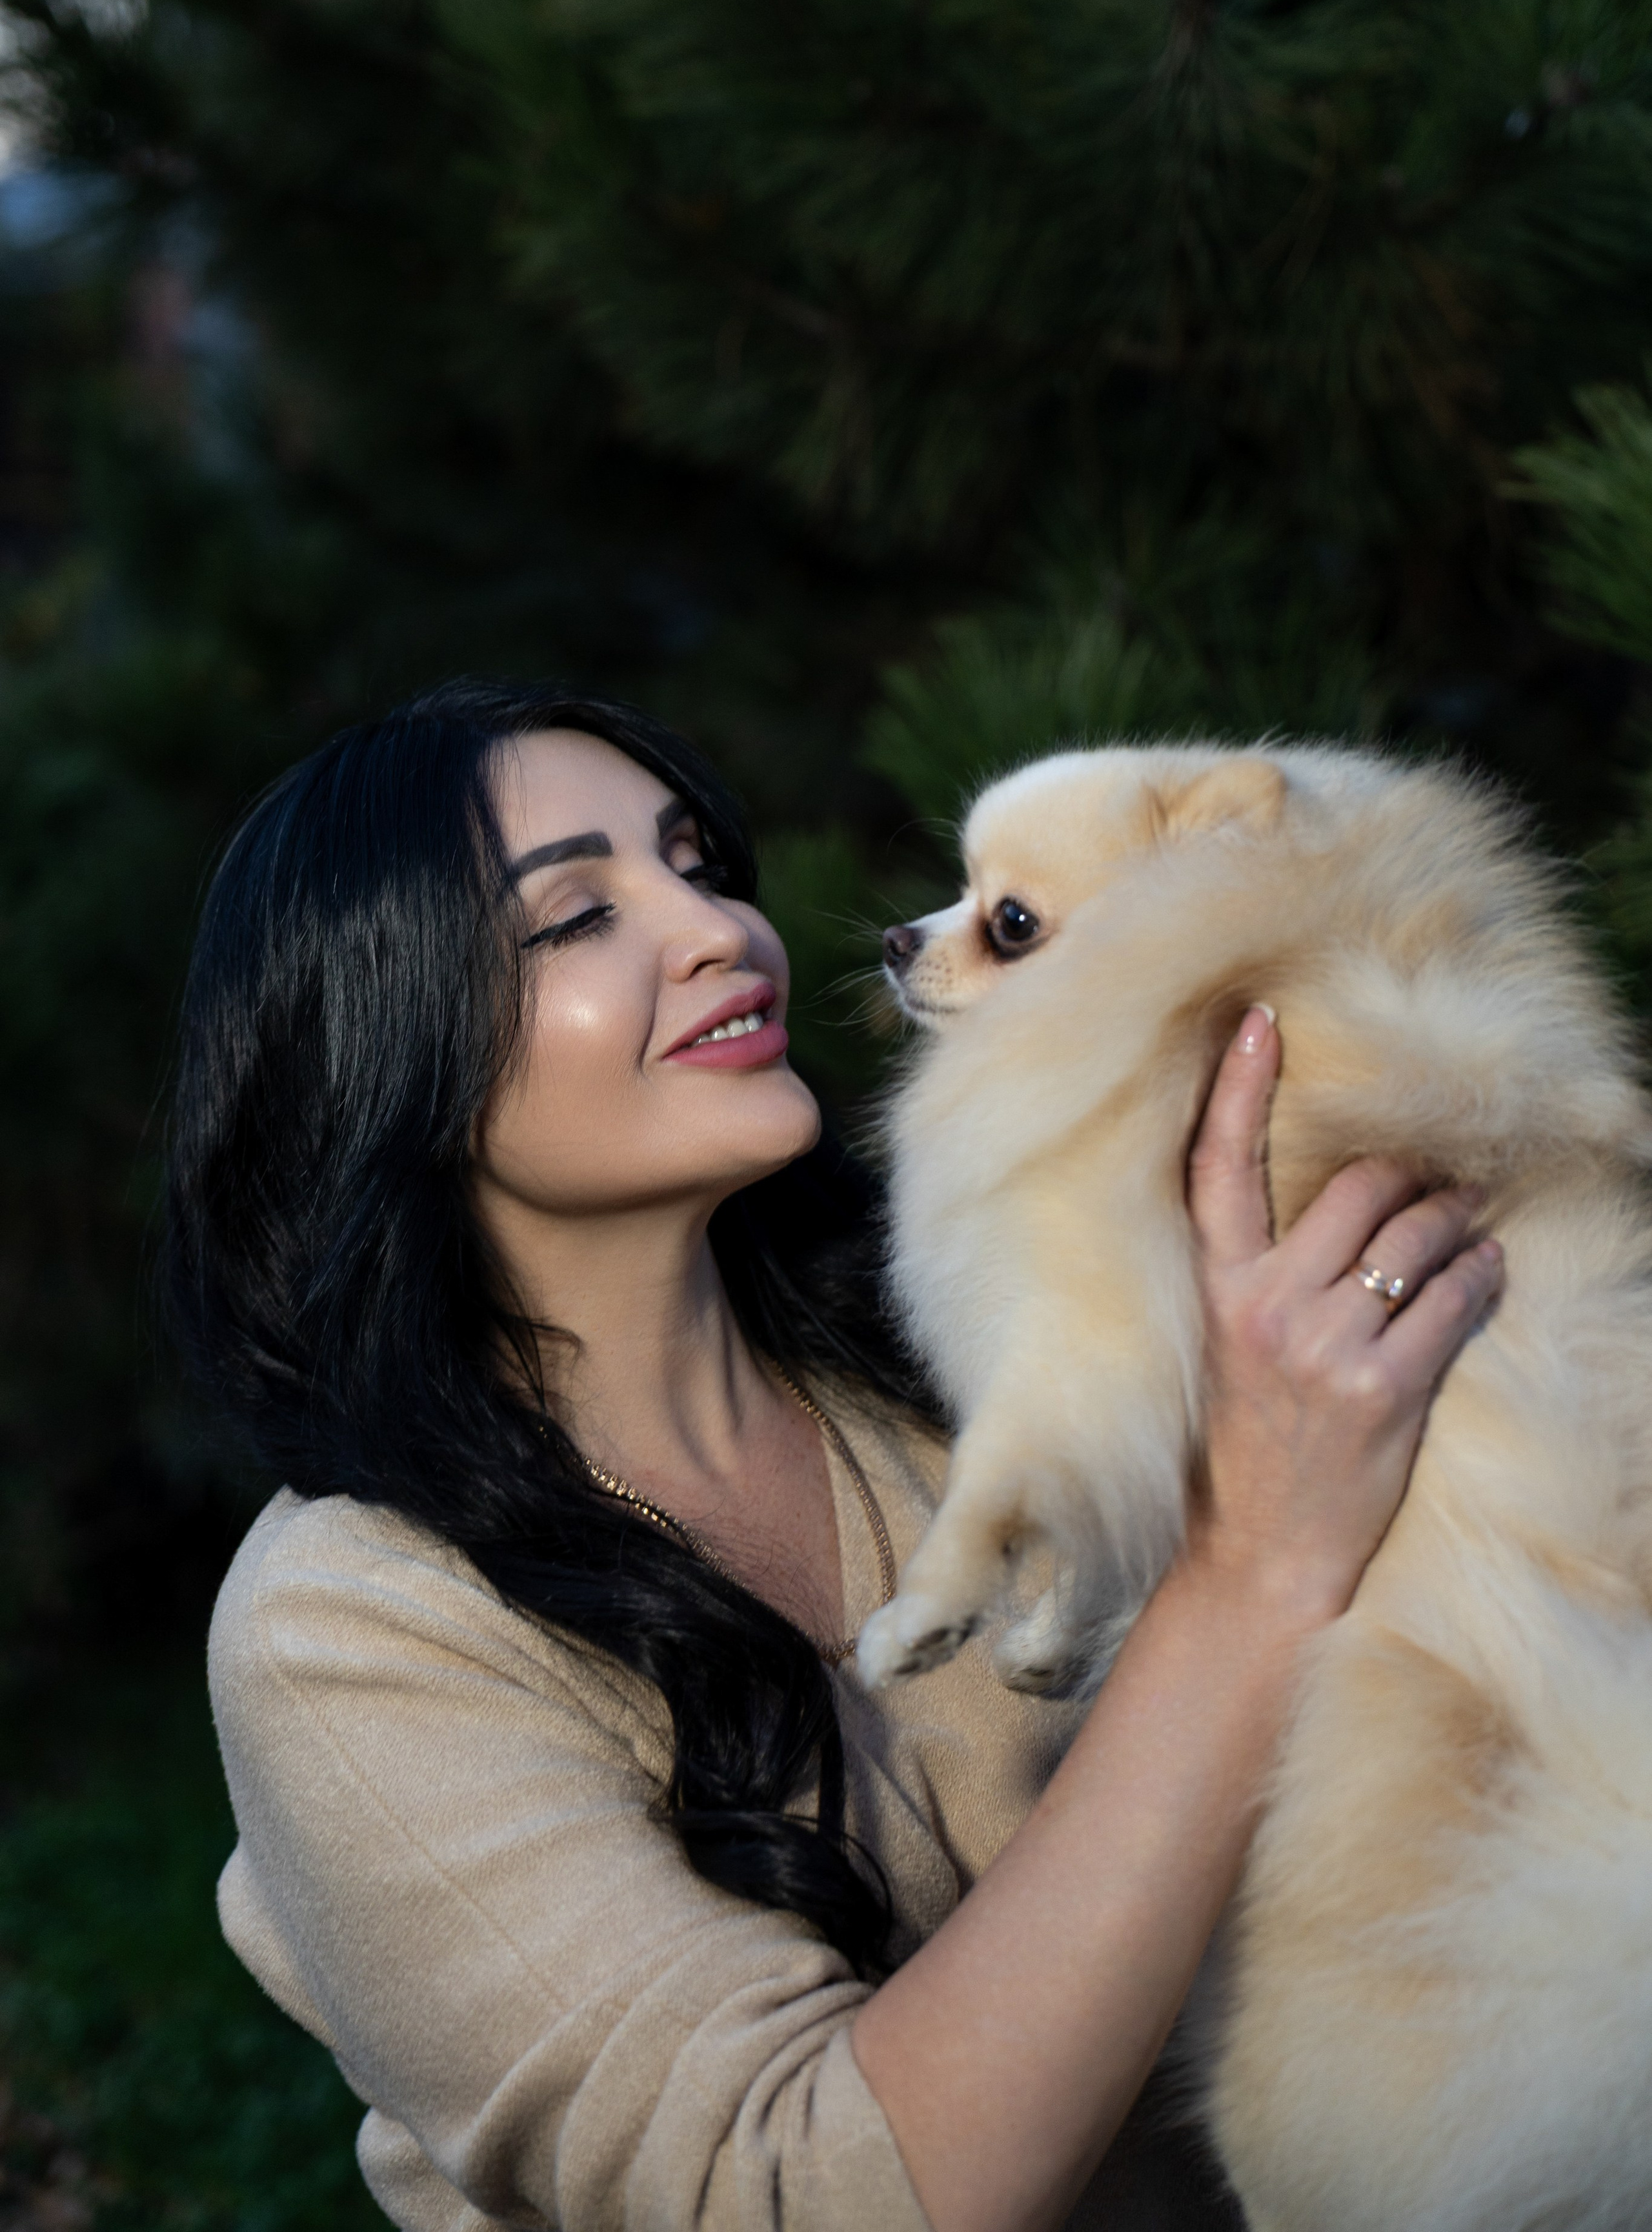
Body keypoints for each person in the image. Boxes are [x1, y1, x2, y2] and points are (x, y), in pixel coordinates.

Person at [174, 681, 1503, 2232]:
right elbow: (794, 2195)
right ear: (385, 1051)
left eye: (695, 864)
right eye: (575, 918)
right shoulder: (349, 1630)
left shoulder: (986, 1370)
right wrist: (1243, 1575)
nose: (722, 929)